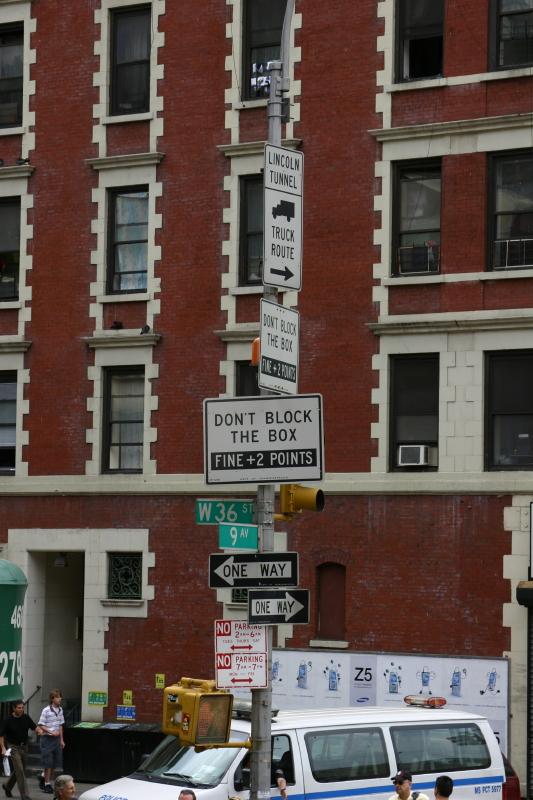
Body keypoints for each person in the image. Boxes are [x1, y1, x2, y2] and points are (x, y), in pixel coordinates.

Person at [0, 698, 43, 800]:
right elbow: (1, 735)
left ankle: (7, 786)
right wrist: (3, 748)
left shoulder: (26, 717)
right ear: (13, 708)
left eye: (22, 708)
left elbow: (34, 727)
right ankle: (25, 795)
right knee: (19, 769)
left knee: (20, 770)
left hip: (24, 747)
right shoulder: (7, 720)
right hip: (13, 747)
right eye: (19, 708)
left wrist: (39, 730)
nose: (21, 710)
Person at [38, 690, 65, 795]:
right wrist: (51, 732)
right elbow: (41, 724)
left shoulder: (61, 710)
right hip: (47, 739)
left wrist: (62, 740)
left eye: (60, 697)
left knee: (55, 763)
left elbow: (60, 725)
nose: (60, 699)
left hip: (57, 740)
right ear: (52, 699)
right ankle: (47, 784)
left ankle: (43, 777)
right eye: (58, 697)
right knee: (48, 763)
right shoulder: (46, 710)